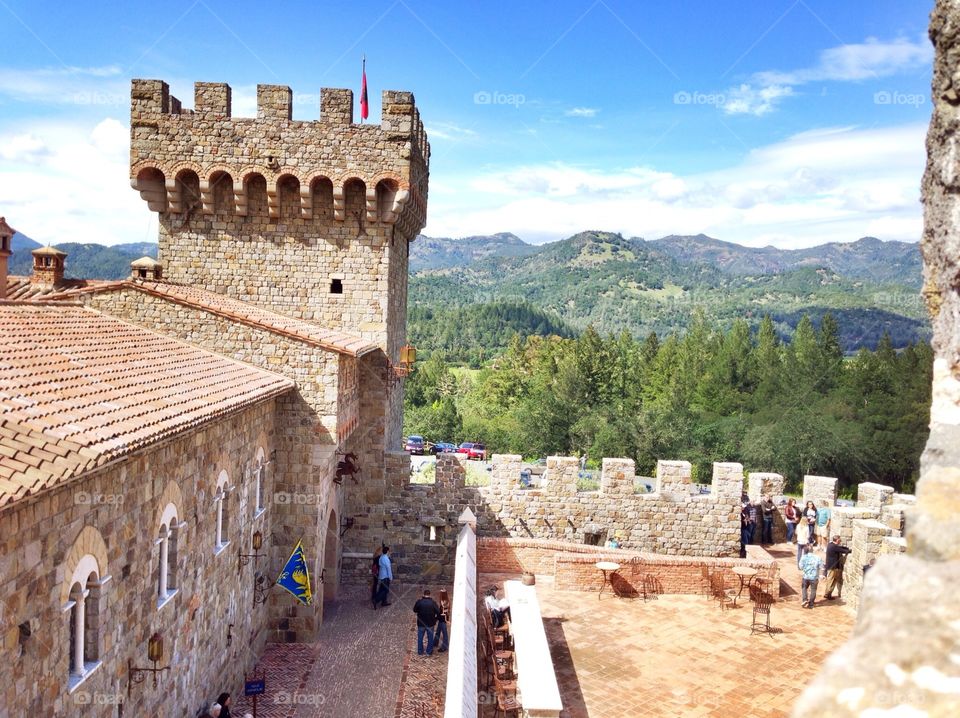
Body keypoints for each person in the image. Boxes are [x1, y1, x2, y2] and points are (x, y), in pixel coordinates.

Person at [413, 589, 441, 656]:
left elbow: (415, 610)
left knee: (420, 638)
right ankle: (429, 652)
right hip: (430, 623)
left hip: (421, 623)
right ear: (429, 594)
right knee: (430, 638)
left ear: (423, 594)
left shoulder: (419, 602)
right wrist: (435, 619)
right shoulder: (433, 603)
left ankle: (420, 651)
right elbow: (438, 612)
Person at [823, 535, 851, 600]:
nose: (840, 541)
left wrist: (846, 548)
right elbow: (842, 550)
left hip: (830, 566)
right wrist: (848, 550)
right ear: (837, 540)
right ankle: (827, 594)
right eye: (840, 540)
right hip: (833, 567)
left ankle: (827, 593)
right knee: (832, 580)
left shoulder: (830, 544)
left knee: (830, 579)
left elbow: (840, 548)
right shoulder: (834, 547)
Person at [798, 545, 823, 609]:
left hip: (806, 577)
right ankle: (811, 604)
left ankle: (805, 600)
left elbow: (800, 567)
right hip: (814, 577)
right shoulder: (818, 557)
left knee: (804, 588)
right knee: (813, 590)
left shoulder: (803, 557)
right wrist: (821, 575)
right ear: (812, 550)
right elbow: (821, 567)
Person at [434, 588, 450, 652]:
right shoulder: (446, 601)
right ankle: (435, 642)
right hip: (442, 619)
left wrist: (436, 618)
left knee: (444, 633)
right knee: (438, 632)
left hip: (442, 620)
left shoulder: (444, 602)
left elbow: (442, 612)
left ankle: (445, 646)